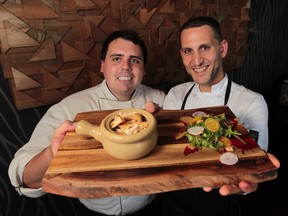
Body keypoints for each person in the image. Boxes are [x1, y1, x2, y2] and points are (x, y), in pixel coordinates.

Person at [8, 30, 165, 216]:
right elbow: (23, 177)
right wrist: (52, 153)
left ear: (143, 69)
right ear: (102, 66)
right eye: (116, 58)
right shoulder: (71, 107)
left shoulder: (159, 100)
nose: (126, 66)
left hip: (151, 209)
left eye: (135, 60)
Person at [158, 16, 280, 215]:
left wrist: (245, 185)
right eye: (188, 51)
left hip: (221, 202)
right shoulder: (175, 95)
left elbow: (252, 166)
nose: (196, 61)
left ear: (222, 49)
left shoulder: (251, 103)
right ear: (181, 55)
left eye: (205, 47)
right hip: (175, 201)